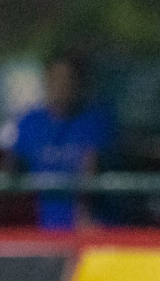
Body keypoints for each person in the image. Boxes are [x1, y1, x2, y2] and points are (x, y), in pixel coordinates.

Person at [11, 52, 116, 231]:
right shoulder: (29, 122)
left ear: (79, 83)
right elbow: (11, 169)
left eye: (68, 79)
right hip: (46, 231)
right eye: (56, 78)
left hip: (92, 230)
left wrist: (83, 217)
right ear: (46, 80)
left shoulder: (96, 120)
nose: (62, 86)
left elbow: (90, 167)